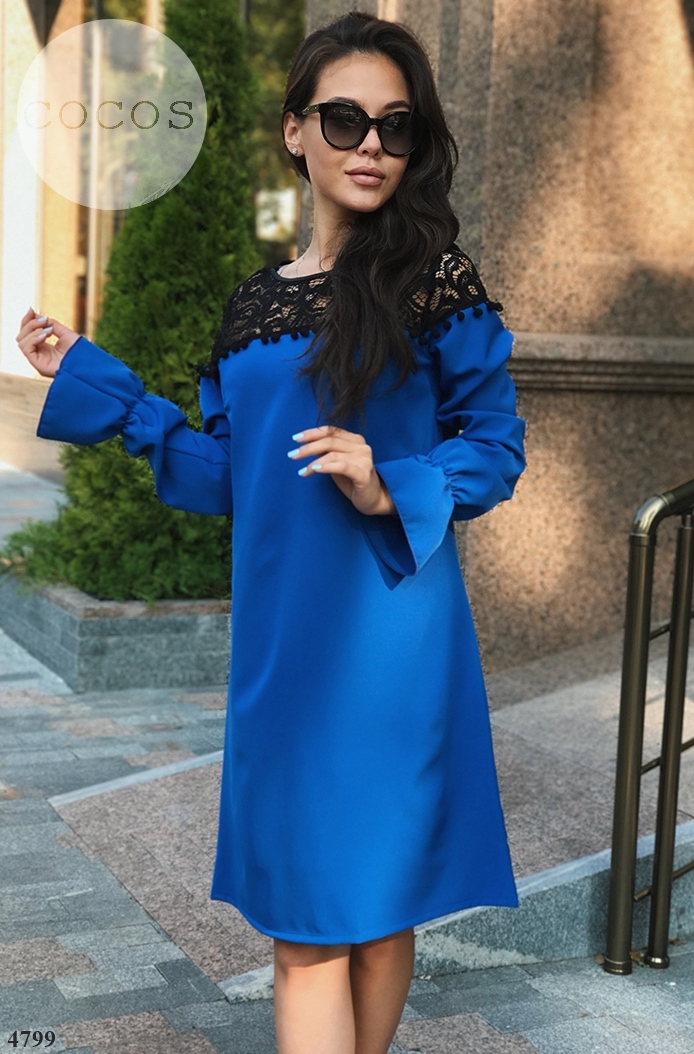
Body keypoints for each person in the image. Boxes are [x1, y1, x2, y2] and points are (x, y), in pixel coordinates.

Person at [17, 11, 526, 1054]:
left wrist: (389, 481)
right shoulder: (251, 307)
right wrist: (93, 379)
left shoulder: (434, 282)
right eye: (344, 120)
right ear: (295, 131)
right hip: (283, 656)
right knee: (305, 930)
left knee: (373, 918)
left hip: (394, 645)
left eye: (395, 125)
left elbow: (496, 446)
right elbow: (228, 475)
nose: (371, 144)